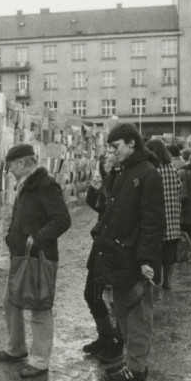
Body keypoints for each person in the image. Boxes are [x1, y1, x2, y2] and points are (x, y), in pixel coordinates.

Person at [93, 124, 165, 381]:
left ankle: (137, 368)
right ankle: (131, 360)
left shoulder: (147, 173)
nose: (113, 151)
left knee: (138, 315)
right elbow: (111, 210)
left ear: (132, 143)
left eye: (116, 146)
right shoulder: (124, 171)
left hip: (135, 258)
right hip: (118, 255)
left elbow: (153, 222)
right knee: (122, 312)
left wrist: (146, 260)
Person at [0, 143, 71, 379]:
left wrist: (35, 239)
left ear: (23, 163)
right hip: (21, 256)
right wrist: (11, 237)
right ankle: (16, 348)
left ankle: (39, 360)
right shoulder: (27, 184)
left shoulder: (46, 185)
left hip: (39, 257)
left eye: (11, 167)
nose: (10, 172)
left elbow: (62, 220)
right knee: (11, 302)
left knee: (40, 307)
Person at [83, 148, 124, 364]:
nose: (107, 160)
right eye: (106, 158)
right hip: (101, 246)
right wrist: (93, 190)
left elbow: (111, 212)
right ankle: (107, 337)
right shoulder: (110, 179)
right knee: (91, 294)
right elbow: (99, 207)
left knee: (109, 297)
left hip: (111, 247)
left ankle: (115, 342)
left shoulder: (122, 179)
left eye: (111, 156)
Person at [147, 140, 182, 291]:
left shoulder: (152, 170)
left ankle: (156, 281)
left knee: (156, 252)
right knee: (169, 253)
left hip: (158, 216)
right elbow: (179, 190)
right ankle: (168, 281)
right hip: (173, 217)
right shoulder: (173, 168)